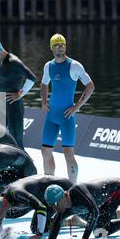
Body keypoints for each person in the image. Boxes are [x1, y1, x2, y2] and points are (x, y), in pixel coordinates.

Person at [40, 34, 95, 183]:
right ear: (51, 47)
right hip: (52, 116)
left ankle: (73, 187)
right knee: (45, 151)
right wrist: (44, 102)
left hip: (67, 116)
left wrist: (77, 107)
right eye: (57, 45)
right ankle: (49, 183)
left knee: (68, 153)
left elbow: (90, 86)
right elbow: (44, 84)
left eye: (62, 44)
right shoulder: (48, 66)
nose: (60, 47)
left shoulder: (74, 66)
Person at [0, 175, 74, 239]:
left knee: (37, 228)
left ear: (1, 206)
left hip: (61, 188)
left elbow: (41, 207)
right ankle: (56, 221)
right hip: (40, 197)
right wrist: (1, 235)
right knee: (12, 215)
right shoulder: (2, 201)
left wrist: (39, 234)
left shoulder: (16, 193)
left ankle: (59, 221)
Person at [0, 39, 37, 149]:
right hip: (2, 106)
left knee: (17, 140)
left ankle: (25, 164)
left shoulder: (14, 61)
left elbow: (32, 78)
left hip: (15, 106)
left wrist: (20, 94)